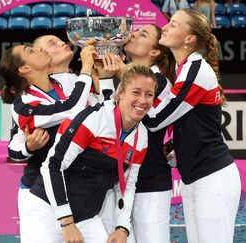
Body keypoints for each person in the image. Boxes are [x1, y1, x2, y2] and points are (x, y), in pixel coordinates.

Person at [18, 64, 157, 243]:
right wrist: (67, 222)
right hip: (46, 210)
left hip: (87, 218)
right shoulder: (93, 118)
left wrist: (122, 227)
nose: (143, 100)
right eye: (136, 92)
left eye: (149, 94)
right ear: (121, 92)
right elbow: (52, 166)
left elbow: (127, 186)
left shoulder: (141, 136)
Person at [144, 9, 241, 243]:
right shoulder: (184, 68)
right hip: (195, 177)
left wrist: (127, 99)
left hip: (212, 178)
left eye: (174, 25)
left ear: (189, 39)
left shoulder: (195, 70)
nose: (165, 27)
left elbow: (157, 120)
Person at [99, 24, 177, 242]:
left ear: (155, 52)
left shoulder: (161, 82)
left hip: (150, 184)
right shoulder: (121, 82)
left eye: (143, 34)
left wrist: (118, 67)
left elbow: (141, 82)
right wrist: (103, 76)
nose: (132, 34)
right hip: (118, 184)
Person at [0, 44, 95, 206]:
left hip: (74, 184)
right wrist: (28, 148)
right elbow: (72, 108)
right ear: (24, 68)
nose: (39, 49)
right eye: (31, 50)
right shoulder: (24, 105)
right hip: (38, 192)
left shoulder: (61, 84)